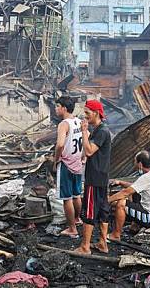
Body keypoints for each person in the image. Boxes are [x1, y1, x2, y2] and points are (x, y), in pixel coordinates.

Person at [74, 99, 112, 254]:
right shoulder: (98, 130)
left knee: (89, 211)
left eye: (87, 113)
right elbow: (88, 152)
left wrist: (83, 130)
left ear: (96, 113)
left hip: (95, 178)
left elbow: (89, 151)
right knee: (103, 210)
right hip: (101, 176)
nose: (85, 116)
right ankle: (103, 244)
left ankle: (85, 247)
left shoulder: (102, 131)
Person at [108, 151, 150, 241]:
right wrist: (120, 182)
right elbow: (135, 186)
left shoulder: (147, 178)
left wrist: (106, 200)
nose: (134, 163)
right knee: (134, 193)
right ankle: (134, 226)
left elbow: (125, 193)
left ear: (140, 164)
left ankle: (116, 235)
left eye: (135, 161)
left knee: (121, 203)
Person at [52, 96, 84, 238]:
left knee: (67, 198)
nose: (56, 109)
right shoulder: (78, 121)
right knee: (77, 194)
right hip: (77, 162)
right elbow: (86, 137)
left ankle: (72, 229)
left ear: (64, 108)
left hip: (66, 163)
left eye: (57, 106)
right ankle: (77, 219)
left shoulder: (64, 124)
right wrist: (83, 157)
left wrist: (56, 159)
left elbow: (59, 144)